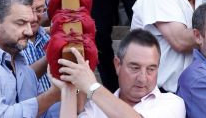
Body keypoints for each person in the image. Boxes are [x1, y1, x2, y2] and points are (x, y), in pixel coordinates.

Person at [53, 29, 186, 117]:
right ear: (117, 65)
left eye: (151, 69)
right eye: (135, 67)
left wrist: (92, 87)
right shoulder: (95, 107)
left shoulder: (172, 103)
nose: (143, 78)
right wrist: (69, 89)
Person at [8, 0, 51, 93]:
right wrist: (51, 55)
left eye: (39, 9)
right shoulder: (5, 45)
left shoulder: (47, 37)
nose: (33, 17)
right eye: (27, 10)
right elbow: (18, 86)